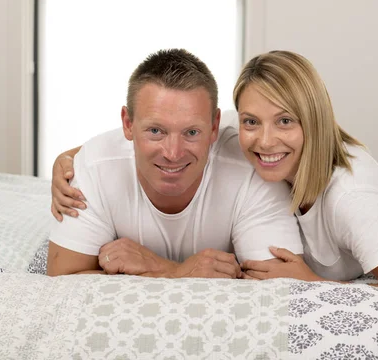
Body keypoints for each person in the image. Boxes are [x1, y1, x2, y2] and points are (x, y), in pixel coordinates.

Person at [52, 50, 378, 286]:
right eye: (252, 122)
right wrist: (67, 159)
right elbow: (150, 134)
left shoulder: (353, 201)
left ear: (313, 120)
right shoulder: (234, 131)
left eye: (286, 121)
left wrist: (317, 285)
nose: (265, 140)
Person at [46, 48, 303, 278]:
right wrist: (177, 272)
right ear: (127, 123)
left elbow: (277, 290)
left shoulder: (253, 168)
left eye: (191, 133)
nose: (173, 153)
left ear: (214, 127)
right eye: (156, 131)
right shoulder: (93, 167)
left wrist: (164, 268)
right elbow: (64, 281)